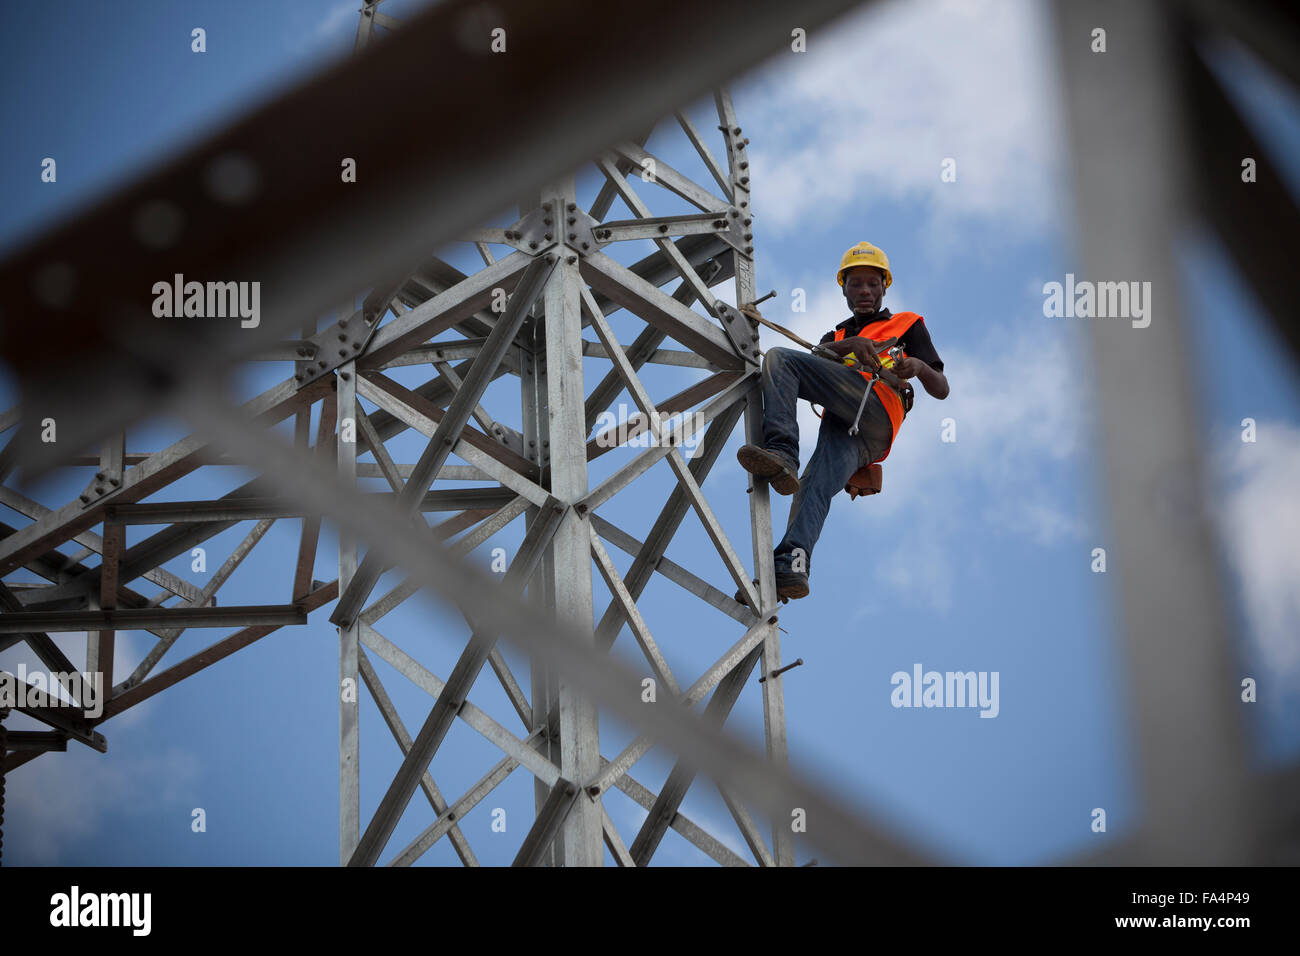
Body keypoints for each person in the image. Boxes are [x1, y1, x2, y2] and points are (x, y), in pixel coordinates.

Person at [736, 241, 949, 601]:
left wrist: (920, 367)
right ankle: (793, 563)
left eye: (872, 283)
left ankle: (783, 451)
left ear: (884, 287)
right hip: (851, 427)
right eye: (856, 284)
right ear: (844, 289)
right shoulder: (835, 338)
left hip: (878, 411)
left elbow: (941, 389)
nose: (864, 291)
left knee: (779, 359)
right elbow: (815, 360)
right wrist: (848, 346)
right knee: (814, 484)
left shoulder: (906, 324)